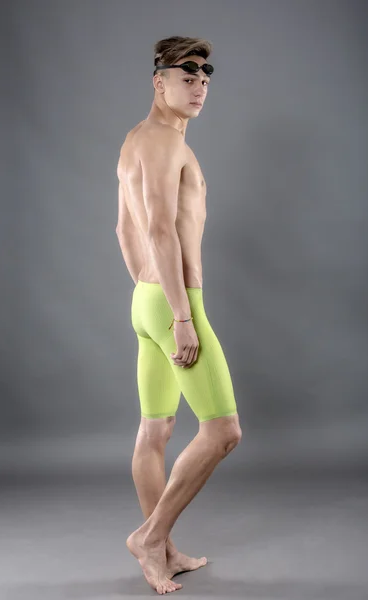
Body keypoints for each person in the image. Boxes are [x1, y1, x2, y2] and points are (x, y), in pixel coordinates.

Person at [116, 36, 242, 595]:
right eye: (187, 78)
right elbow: (161, 230)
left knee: (156, 429)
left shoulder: (134, 141)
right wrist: (181, 315)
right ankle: (150, 536)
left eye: (205, 80)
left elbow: (125, 229)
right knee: (222, 431)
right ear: (158, 81)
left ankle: (161, 553)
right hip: (173, 305)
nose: (199, 88)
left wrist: (147, 294)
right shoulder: (166, 143)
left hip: (146, 300)